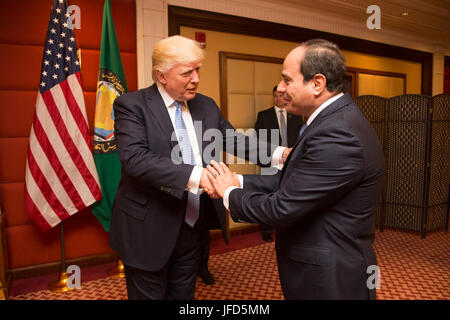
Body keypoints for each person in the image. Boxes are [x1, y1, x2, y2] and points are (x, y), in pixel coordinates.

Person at [108, 35, 288, 300]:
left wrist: (281, 154)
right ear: (161, 75)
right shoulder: (132, 106)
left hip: (193, 226)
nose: (196, 78)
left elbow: (233, 139)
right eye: (186, 72)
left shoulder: (205, 104)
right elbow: (136, 159)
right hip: (148, 228)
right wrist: (199, 176)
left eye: (197, 69)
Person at [206, 39, 385, 300]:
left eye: (287, 80)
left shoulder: (337, 134)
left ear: (317, 83)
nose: (280, 88)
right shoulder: (330, 121)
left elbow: (282, 208)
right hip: (325, 268)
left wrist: (230, 194)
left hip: (330, 279)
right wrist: (238, 181)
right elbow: (293, 182)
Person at [255, 85, 303, 242]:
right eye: (275, 95)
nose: (278, 98)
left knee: (289, 195)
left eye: (281, 95)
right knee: (267, 196)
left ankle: (288, 228)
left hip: (291, 163)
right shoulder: (264, 115)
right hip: (270, 162)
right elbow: (258, 141)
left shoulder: (295, 116)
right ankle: (267, 231)